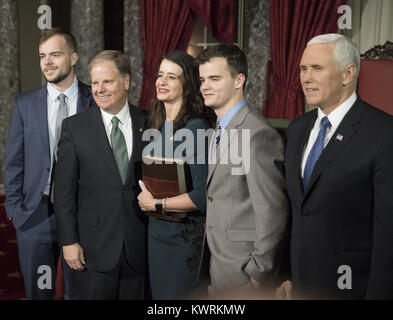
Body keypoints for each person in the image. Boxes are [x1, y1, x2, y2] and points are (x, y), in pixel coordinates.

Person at [280, 33, 393, 299]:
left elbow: (388, 235)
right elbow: (295, 212)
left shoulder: (384, 133)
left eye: (317, 68)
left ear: (348, 74)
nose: (306, 77)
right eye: (303, 69)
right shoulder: (297, 128)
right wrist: (285, 274)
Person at [3, 27, 94, 299]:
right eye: (43, 56)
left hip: (83, 218)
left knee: (79, 294)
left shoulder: (95, 101)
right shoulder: (25, 104)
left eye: (55, 54)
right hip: (35, 218)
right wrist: (16, 214)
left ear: (74, 57)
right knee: (39, 293)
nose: (47, 62)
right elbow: (14, 163)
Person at [196, 44, 289, 298]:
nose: (205, 85)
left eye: (214, 78)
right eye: (203, 79)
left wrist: (258, 272)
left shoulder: (258, 135)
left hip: (243, 273)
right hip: (218, 264)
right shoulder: (218, 128)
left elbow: (273, 210)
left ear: (239, 80)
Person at [54, 50, 147, 299]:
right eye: (95, 83)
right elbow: (63, 194)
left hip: (138, 247)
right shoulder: (74, 128)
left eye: (107, 81)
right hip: (93, 250)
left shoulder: (148, 122)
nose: (99, 89)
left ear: (126, 81)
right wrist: (69, 242)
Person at [137, 51, 215, 299]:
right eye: (160, 75)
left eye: (171, 77)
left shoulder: (196, 128)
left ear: (187, 85)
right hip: (156, 234)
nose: (161, 81)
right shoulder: (156, 125)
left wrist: (157, 204)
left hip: (183, 241)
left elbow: (204, 194)